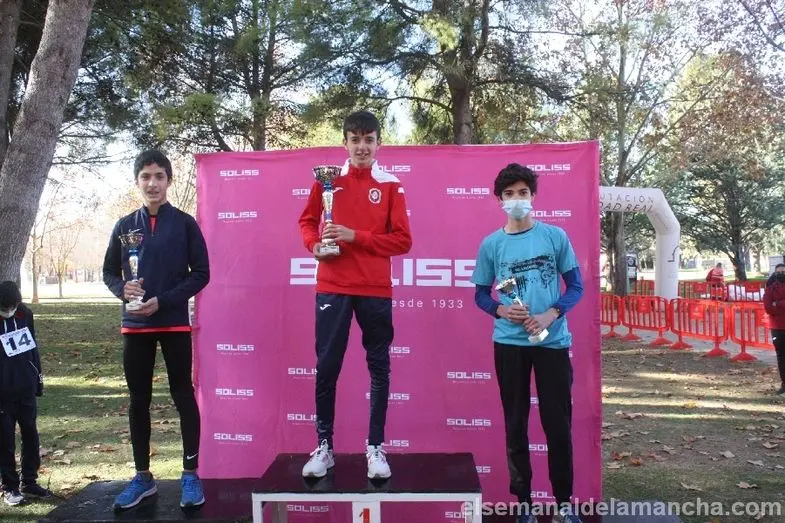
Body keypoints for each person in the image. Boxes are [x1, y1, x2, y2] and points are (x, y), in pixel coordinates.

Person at [298, 110, 412, 480]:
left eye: (369, 140)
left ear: (379, 143)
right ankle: (324, 447)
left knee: (379, 367)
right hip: (333, 286)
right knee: (327, 366)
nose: (362, 147)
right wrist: (315, 245)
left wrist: (355, 236)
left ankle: (375, 447)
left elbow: (403, 240)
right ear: (345, 142)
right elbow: (307, 221)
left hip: (375, 289)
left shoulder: (391, 184)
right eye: (355, 139)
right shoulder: (327, 181)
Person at [471, 163, 584, 523]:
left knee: (558, 426)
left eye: (522, 192)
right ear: (499, 200)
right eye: (509, 194)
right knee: (516, 424)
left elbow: (576, 287)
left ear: (533, 196)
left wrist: (552, 313)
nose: (516, 199)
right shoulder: (491, 244)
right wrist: (501, 310)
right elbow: (480, 294)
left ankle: (564, 505)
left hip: (552, 342)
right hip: (509, 345)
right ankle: (524, 505)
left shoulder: (555, 237)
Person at [102, 150, 210, 511]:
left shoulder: (185, 224)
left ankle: (190, 474)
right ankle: (142, 477)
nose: (152, 183)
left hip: (173, 321)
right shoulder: (124, 226)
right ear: (137, 181)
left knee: (183, 396)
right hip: (136, 326)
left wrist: (163, 301)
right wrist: (123, 290)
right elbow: (109, 272)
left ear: (169, 181)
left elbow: (202, 274)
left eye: (159, 176)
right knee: (139, 401)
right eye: (146, 176)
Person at [0, 281, 52, 506]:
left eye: (11, 307)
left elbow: (32, 348)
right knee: (5, 439)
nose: (8, 311)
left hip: (26, 386)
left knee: (30, 434)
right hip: (3, 392)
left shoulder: (25, 314)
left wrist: (37, 378)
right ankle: (10, 487)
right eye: (4, 308)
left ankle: (29, 481)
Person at [763, 263, 785, 396]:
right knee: (781, 357)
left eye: (784, 272)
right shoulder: (770, 288)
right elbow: (768, 308)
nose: (782, 274)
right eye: (779, 272)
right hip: (777, 328)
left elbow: (774, 306)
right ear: (775, 273)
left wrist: (779, 303)